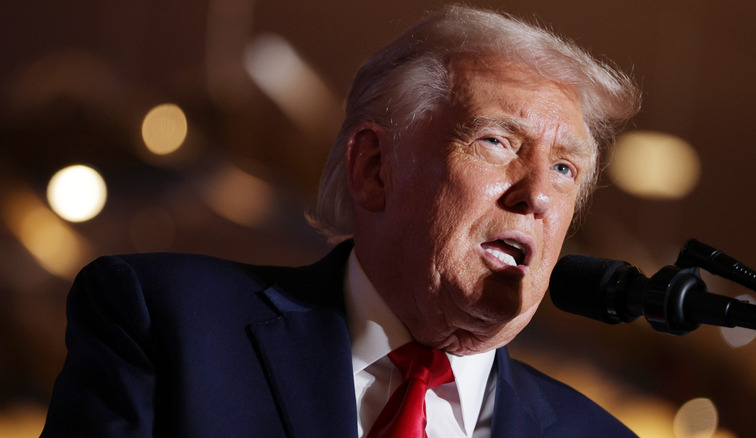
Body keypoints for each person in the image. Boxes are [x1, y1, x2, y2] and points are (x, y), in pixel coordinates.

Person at [42, 5, 640, 437]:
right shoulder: (165, 323)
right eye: (494, 141)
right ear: (374, 167)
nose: (537, 194)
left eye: (565, 169)